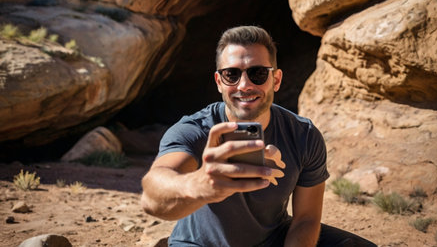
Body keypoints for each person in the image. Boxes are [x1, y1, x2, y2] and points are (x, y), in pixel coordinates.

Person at [141, 26, 376, 246]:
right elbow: (153, 195)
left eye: (258, 73)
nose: (244, 85)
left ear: (276, 80)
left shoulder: (303, 135)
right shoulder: (196, 130)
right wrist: (201, 183)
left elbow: (306, 219)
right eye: (231, 74)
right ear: (219, 82)